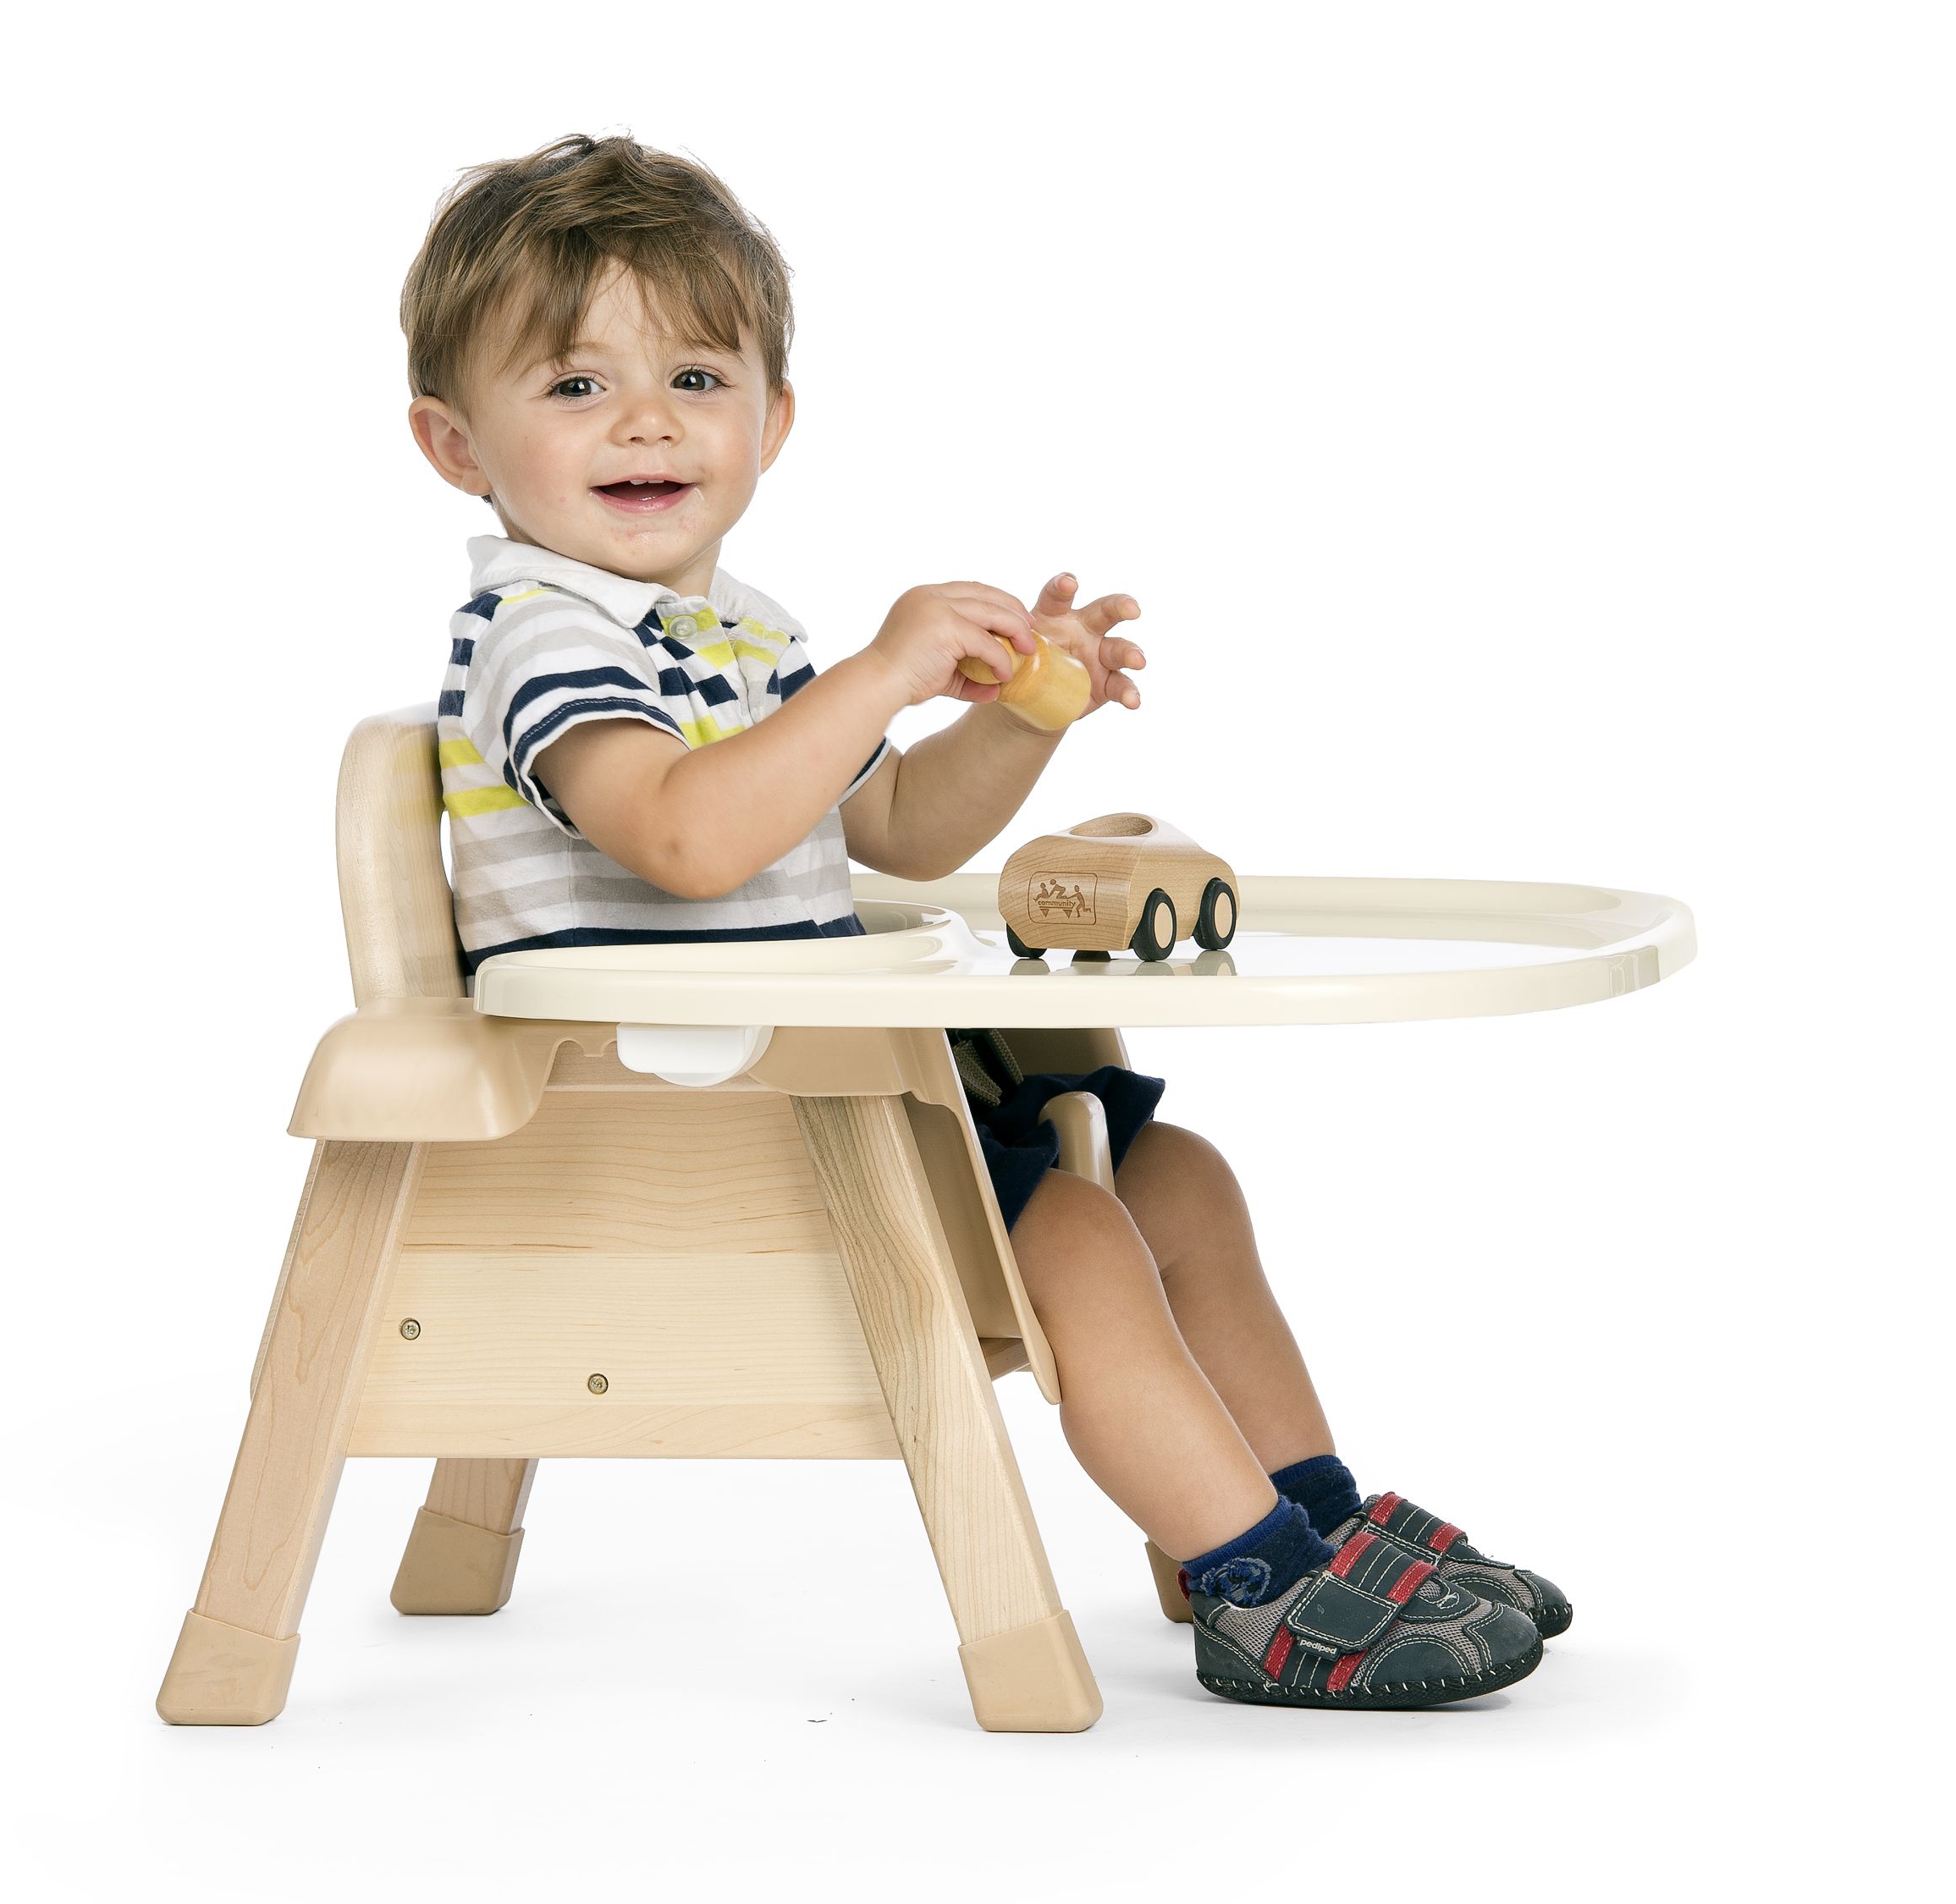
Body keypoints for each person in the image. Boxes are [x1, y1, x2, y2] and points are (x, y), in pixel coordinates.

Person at [399, 132, 1565, 1709]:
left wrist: (1015, 719)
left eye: (695, 376)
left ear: (770, 420)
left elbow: (895, 826)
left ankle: (1310, 1515)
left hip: (819, 1094)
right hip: (678, 1132)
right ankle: (1259, 1584)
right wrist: (879, 672)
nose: (646, 420)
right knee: (1073, 1230)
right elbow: (685, 838)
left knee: (1175, 1177)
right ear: (456, 443)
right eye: (574, 384)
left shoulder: (738, 634)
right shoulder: (540, 636)